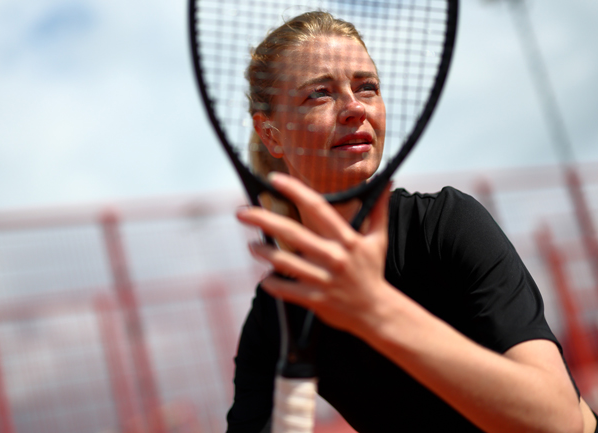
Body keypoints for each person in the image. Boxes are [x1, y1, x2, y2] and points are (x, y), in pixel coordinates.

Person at [227, 11, 597, 433]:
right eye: (320, 94)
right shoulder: (277, 311)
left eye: (367, 87)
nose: (354, 108)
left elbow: (558, 422)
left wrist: (374, 309)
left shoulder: (445, 224)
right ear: (270, 134)